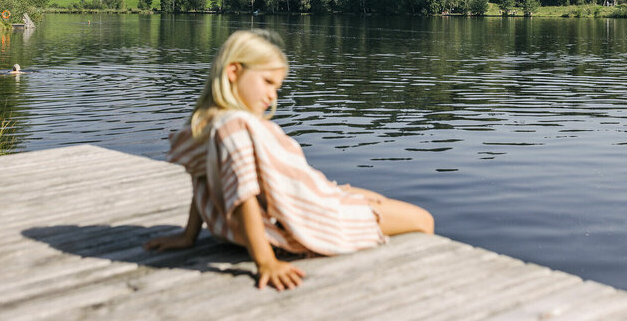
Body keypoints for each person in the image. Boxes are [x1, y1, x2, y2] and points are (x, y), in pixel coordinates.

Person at [145, 29, 433, 291]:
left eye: (277, 87)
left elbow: (203, 180)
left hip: (316, 195)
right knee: (422, 220)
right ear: (233, 71)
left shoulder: (206, 123)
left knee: (375, 200)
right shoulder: (234, 125)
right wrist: (265, 262)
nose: (272, 96)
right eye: (268, 82)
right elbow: (243, 194)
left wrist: (189, 236)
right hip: (311, 216)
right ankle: (425, 289)